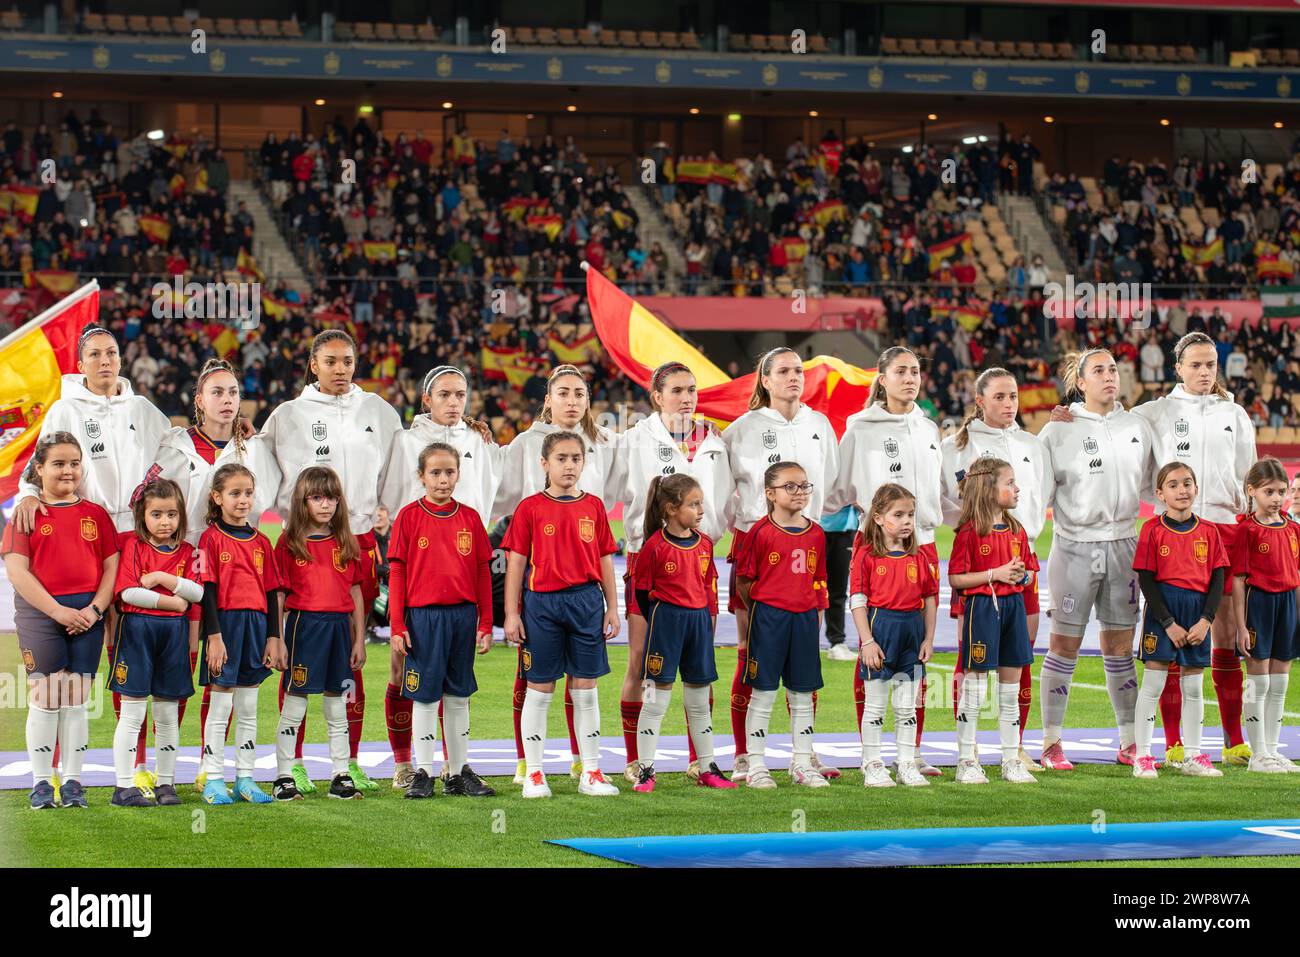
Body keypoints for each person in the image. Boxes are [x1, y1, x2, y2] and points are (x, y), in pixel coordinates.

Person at [12, 324, 169, 797]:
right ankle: (51, 773)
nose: (105, 361)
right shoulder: (66, 407)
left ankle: (135, 765)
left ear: (121, 359)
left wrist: (234, 432)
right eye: (95, 354)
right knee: (64, 675)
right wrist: (25, 494)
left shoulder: (142, 408)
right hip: (88, 531)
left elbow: (176, 445)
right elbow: (42, 462)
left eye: (112, 353)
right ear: (80, 365)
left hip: (135, 536)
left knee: (130, 649)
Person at [260, 330, 402, 793]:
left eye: (348, 361)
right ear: (313, 364)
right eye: (331, 361)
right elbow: (258, 473)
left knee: (350, 664)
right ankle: (293, 764)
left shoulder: (379, 413)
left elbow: (401, 471)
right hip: (301, 539)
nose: (341, 369)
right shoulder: (287, 416)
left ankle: (349, 762)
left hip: (356, 537)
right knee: (299, 673)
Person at [150, 357, 280, 794]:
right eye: (217, 392)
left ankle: (214, 771)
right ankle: (149, 769)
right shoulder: (172, 445)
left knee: (225, 679)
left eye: (233, 393)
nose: (226, 400)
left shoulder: (255, 449)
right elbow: (146, 500)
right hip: (179, 568)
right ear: (199, 399)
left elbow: (263, 507)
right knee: (175, 670)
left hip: (233, 574)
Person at [492, 364, 623, 785]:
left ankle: (585, 764)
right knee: (535, 677)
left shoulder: (604, 443)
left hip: (584, 585)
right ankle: (527, 764)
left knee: (583, 682)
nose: (572, 401)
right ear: (548, 398)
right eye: (563, 393)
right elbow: (498, 487)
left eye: (579, 394)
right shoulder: (525, 448)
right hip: (541, 583)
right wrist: (511, 611)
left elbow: (605, 550)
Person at [1130, 332, 1256, 767]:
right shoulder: (1154, 413)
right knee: (1173, 635)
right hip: (1174, 531)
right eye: (1196, 365)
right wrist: (1069, 414)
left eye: (1211, 365)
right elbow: (1107, 421)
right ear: (1178, 367)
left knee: (1222, 636)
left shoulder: (1234, 413)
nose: (1205, 373)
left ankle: (1234, 741)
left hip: (1222, 528)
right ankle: (1173, 743)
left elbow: (1248, 477)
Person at [379, 366, 500, 790]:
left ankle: (457, 769)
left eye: (461, 394)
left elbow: (492, 492)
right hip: (421, 602)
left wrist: (485, 621)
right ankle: (414, 766)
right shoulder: (405, 445)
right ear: (426, 398)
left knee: (457, 690)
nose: (454, 402)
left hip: (463, 597)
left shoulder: (477, 442)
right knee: (414, 684)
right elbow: (392, 511)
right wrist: (397, 622)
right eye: (445, 394)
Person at [722, 348, 840, 783]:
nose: (794, 377)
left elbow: (834, 484)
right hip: (756, 550)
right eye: (784, 371)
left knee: (804, 662)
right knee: (750, 655)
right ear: (765, 380)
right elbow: (723, 493)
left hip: (806, 546)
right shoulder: (741, 430)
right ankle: (743, 755)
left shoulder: (820, 425)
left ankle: (802, 757)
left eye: (799, 371)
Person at [827, 345, 943, 778]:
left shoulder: (929, 428)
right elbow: (838, 490)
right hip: (874, 543)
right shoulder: (859, 427)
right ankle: (870, 751)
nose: (910, 378)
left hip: (924, 544)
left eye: (915, 371)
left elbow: (939, 491)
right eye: (901, 371)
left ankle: (910, 752)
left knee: (914, 658)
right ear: (882, 377)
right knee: (872, 654)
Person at [1036, 349, 1155, 769]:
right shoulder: (1057, 431)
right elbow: (1039, 494)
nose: (1109, 377)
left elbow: (1156, 486)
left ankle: (1129, 742)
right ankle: (1051, 743)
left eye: (1114, 370)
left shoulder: (1137, 425)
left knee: (1120, 647)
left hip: (1125, 544)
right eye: (1099, 371)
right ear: (1080, 382)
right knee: (1063, 645)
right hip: (1074, 547)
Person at [616, 360, 733, 783]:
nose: (687, 398)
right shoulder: (633, 439)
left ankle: (699, 761)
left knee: (700, 666)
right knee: (640, 665)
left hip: (700, 560)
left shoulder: (716, 441)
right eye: (678, 390)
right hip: (647, 558)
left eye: (692, 390)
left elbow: (728, 498)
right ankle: (636, 761)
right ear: (657, 397)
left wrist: (713, 534)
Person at [941, 367, 1051, 773]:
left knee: (1018, 657)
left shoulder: (1031, 444)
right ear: (980, 401)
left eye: (1014, 396)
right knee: (971, 663)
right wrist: (979, 527)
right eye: (1000, 396)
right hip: (982, 560)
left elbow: (1043, 495)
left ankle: (1014, 748)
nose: (1009, 404)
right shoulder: (955, 446)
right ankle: (966, 754)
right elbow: (944, 500)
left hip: (1022, 555)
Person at [2, 434, 118, 809]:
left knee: (77, 696)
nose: (68, 470)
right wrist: (58, 611)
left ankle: (72, 781)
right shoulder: (26, 512)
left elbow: (110, 566)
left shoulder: (96, 514)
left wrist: (95, 610)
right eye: (58, 463)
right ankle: (40, 782)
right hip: (41, 615)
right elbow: (17, 571)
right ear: (39, 468)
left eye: (74, 463)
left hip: (87, 615)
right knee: (46, 694)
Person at [629, 474, 737, 792]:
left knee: (700, 702)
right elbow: (641, 592)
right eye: (694, 504)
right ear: (671, 509)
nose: (701, 510)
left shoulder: (704, 544)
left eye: (701, 503)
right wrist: (662, 624)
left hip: (699, 626)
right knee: (653, 700)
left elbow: (708, 585)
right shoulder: (655, 546)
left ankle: (708, 767)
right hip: (666, 626)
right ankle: (646, 770)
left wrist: (708, 623)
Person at [269, 467, 368, 801]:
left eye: (332, 498)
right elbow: (279, 595)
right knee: (295, 704)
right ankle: (284, 775)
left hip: (340, 630)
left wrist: (358, 639)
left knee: (337, 705)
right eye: (317, 498)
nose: (326, 505)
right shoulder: (289, 542)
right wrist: (278, 639)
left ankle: (340, 775)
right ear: (303, 501)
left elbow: (355, 593)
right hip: (304, 627)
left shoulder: (344, 541)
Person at [734, 461, 830, 789]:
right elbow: (745, 582)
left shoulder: (816, 532)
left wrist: (813, 616)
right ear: (770, 493)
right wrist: (765, 608)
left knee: (803, 692)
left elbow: (819, 581)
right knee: (763, 692)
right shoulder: (759, 533)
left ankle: (802, 763)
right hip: (769, 619)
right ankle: (756, 764)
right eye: (791, 486)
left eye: (804, 486)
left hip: (804, 620)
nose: (799, 492)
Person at [108, 479, 203, 807]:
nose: (165, 522)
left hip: (173, 637)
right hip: (137, 633)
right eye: (157, 514)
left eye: (172, 514)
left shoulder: (189, 552)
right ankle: (123, 786)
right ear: (142, 516)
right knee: (132, 714)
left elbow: (199, 592)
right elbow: (128, 593)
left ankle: (166, 783)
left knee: (167, 714)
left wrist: (163, 579)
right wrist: (173, 602)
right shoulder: (134, 546)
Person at [194, 463, 285, 805]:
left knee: (248, 706)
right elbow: (208, 591)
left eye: (248, 493)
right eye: (235, 493)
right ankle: (214, 778)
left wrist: (275, 637)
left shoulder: (262, 541)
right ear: (217, 497)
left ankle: (245, 777)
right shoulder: (210, 538)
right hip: (225, 627)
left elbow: (274, 591)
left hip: (257, 627)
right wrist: (213, 637)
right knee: (221, 706)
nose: (243, 500)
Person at [1131, 463, 1229, 779]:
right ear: (1160, 494)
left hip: (1197, 612)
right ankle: (1143, 756)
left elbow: (1218, 579)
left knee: (1194, 686)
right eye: (1173, 485)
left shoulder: (1209, 531)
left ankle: (1193, 755)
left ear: (1196, 488)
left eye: (1187, 483)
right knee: (1154, 683)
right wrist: (1168, 623)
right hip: (1164, 613)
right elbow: (1146, 579)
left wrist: (1206, 621)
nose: (1182, 490)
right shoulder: (1152, 529)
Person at [947, 458, 1040, 785]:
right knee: (974, 687)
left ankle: (1010, 759)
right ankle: (966, 760)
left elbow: (1029, 572)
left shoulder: (1017, 530)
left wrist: (1022, 576)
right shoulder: (970, 532)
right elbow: (956, 579)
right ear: (989, 490)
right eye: (1009, 482)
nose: (1017, 489)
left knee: (1010, 690)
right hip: (983, 609)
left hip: (1013, 607)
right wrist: (995, 575)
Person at [851, 483, 938, 788]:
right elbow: (858, 601)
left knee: (907, 706)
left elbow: (929, 599)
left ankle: (905, 763)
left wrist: (928, 639)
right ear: (877, 517)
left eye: (911, 515)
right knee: (875, 706)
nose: (906, 521)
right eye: (898, 514)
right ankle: (872, 763)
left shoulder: (918, 558)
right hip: (881, 632)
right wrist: (867, 641)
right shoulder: (866, 556)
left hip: (911, 634)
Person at [1231, 458, 1300, 774]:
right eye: (1269, 491)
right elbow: (1238, 580)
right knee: (1257, 683)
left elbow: (1296, 575)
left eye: (1281, 492)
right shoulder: (1247, 530)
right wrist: (1241, 626)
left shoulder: (1293, 529)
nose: (1276, 498)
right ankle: (1257, 754)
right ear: (1252, 491)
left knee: (1280, 682)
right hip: (1258, 604)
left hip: (1287, 606)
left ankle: (1272, 751)